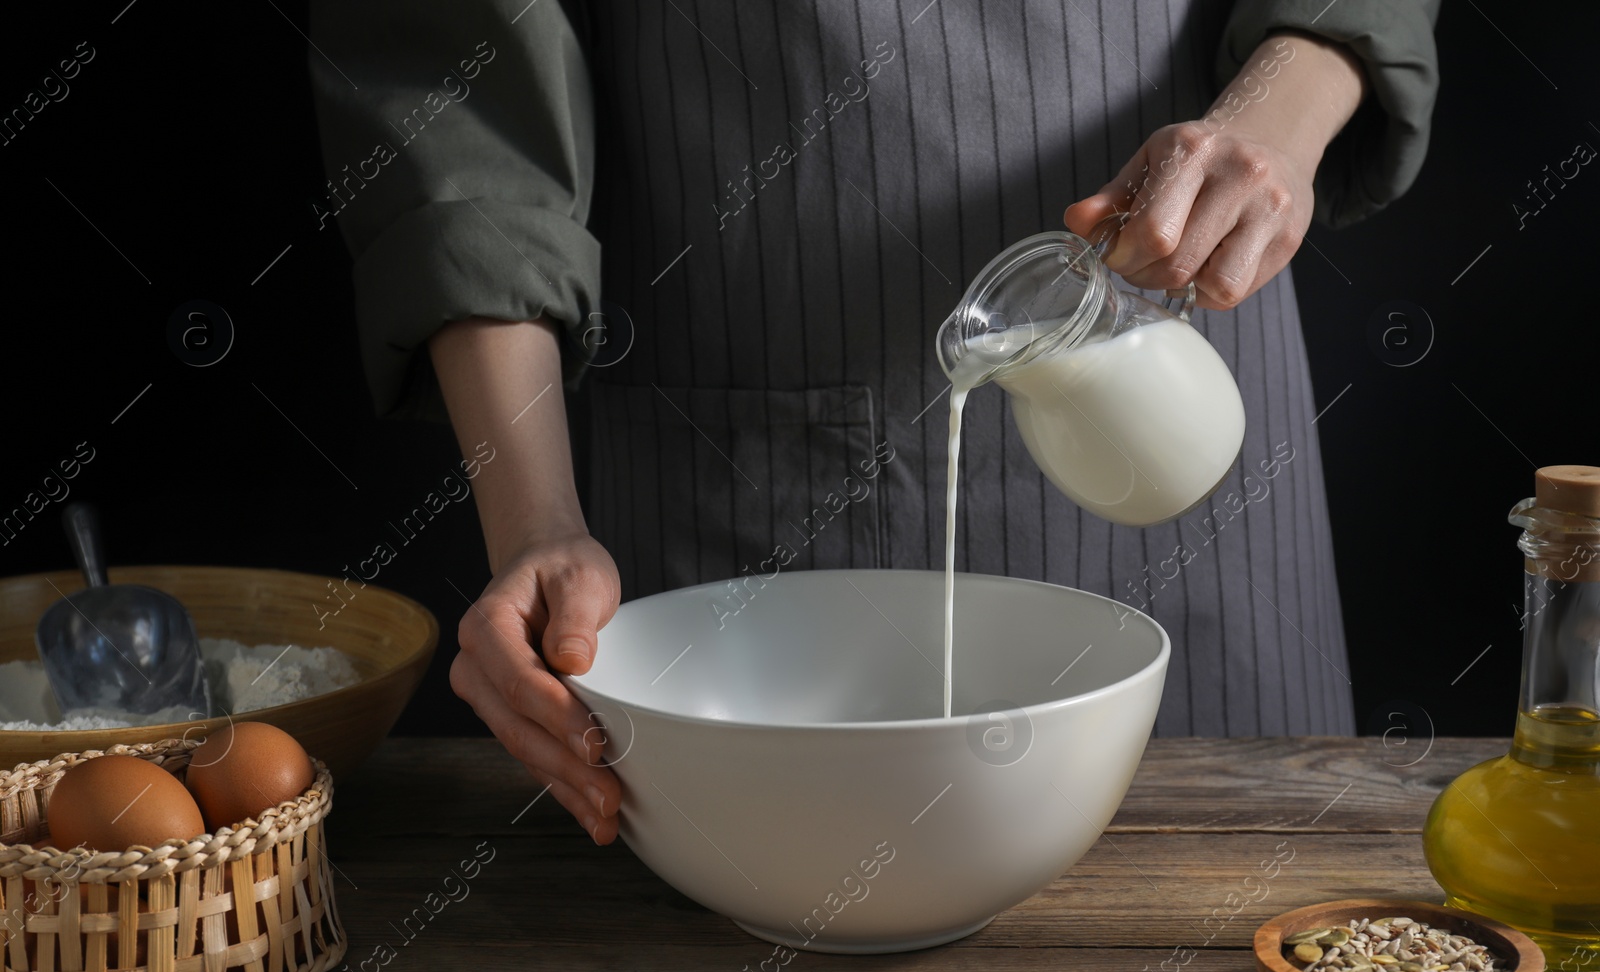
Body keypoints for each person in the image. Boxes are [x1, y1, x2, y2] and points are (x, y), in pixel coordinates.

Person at [309, 1, 1441, 844]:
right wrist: (537, 525)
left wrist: (1272, 125)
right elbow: (459, 100)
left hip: (1183, 351)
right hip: (754, 453)